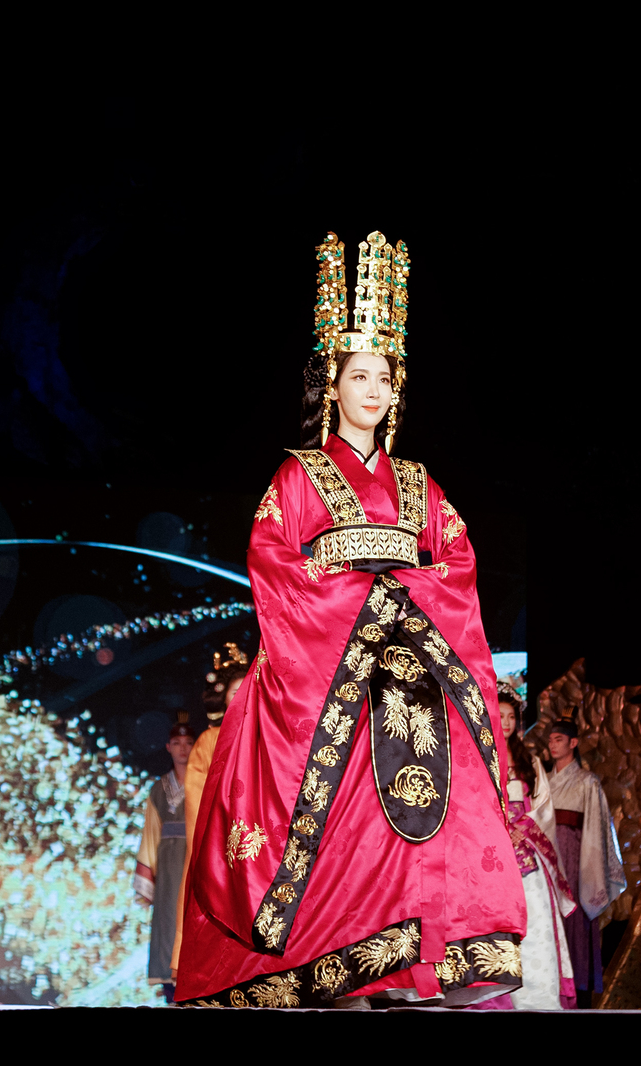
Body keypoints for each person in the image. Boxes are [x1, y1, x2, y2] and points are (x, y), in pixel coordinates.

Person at [175, 232, 522, 1008]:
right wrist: (364, 598)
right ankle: (337, 959)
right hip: (328, 671)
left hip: (413, 675)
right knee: (338, 813)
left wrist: (401, 595)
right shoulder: (298, 475)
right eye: (358, 374)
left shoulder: (420, 483)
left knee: (449, 797)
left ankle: (423, 955)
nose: (373, 388)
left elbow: (458, 565)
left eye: (384, 377)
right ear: (331, 385)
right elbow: (273, 561)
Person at [170, 643, 251, 978]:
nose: (242, 696)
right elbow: (198, 794)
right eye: (235, 691)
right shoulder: (208, 739)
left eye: (247, 689)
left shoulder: (268, 736)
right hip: (223, 830)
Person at [494, 684, 576, 1010]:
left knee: (536, 920)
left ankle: (539, 996)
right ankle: (498, 995)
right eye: (500, 716)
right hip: (493, 853)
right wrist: (500, 830)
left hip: (527, 851)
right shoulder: (481, 759)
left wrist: (522, 827)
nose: (506, 722)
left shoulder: (530, 760)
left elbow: (543, 804)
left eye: (511, 717)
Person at [545, 717, 627, 1007]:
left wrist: (588, 871)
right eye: (550, 740)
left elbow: (597, 828)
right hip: (547, 860)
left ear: (573, 743)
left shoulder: (587, 781)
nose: (553, 745)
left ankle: (577, 995)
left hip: (575, 862)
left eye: (559, 739)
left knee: (574, 918)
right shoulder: (543, 782)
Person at [136, 722, 195, 999]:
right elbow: (150, 835)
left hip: (195, 864)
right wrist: (147, 881)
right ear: (168, 747)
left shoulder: (204, 783)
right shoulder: (158, 790)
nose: (183, 749)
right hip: (168, 871)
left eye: (189, 743)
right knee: (168, 920)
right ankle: (171, 990)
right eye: (177, 744)